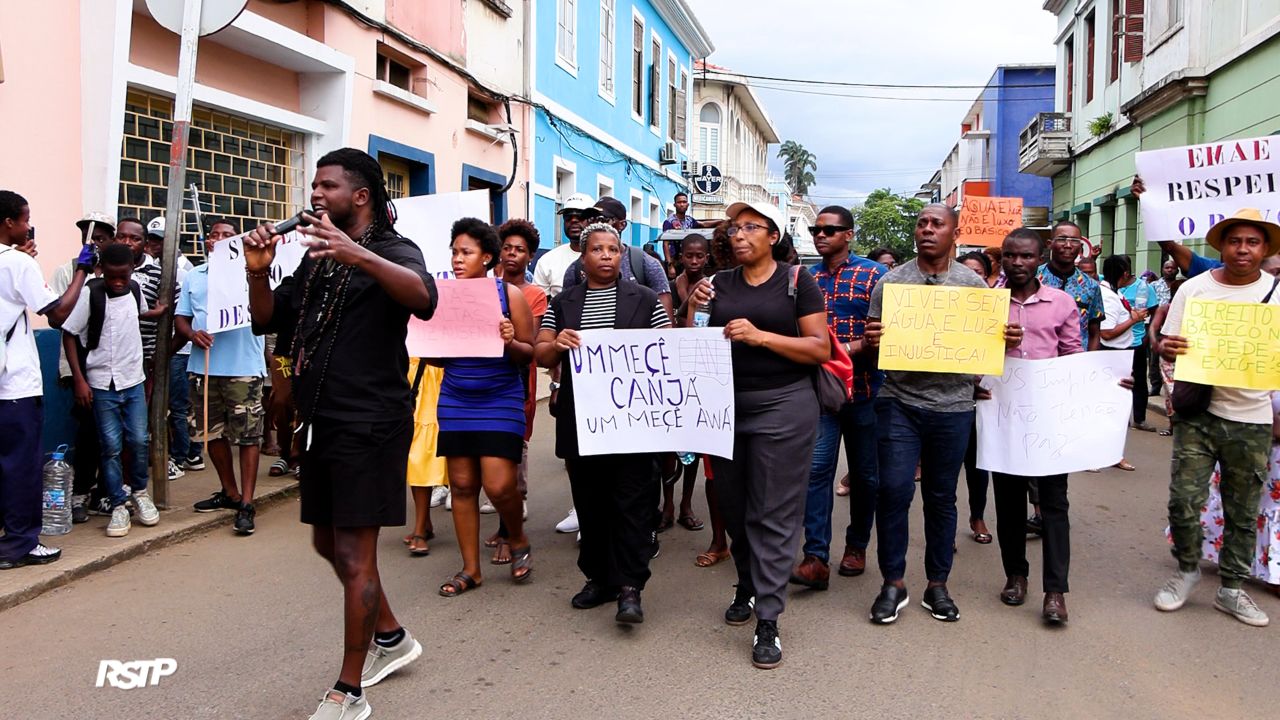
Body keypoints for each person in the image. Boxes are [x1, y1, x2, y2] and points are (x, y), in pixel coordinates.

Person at [245, 148, 437, 718]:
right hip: (321, 420)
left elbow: (424, 298)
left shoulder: (392, 250)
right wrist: (258, 270)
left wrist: (358, 255)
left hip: (370, 421)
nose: (315, 194)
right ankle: (393, 637)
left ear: (360, 196)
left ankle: (349, 691)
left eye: (327, 186)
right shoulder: (317, 260)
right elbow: (266, 319)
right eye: (314, 185)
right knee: (327, 542)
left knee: (355, 553)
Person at [863, 204, 1022, 625]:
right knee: (894, 491)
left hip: (952, 407)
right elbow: (874, 343)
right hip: (898, 401)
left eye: (937, 224)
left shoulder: (973, 286)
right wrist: (873, 338)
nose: (927, 230)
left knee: (940, 496)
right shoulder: (891, 283)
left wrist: (1006, 338)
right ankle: (893, 583)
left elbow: (989, 350)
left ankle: (937, 584)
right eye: (922, 224)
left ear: (955, 233)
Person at [686, 200, 828, 669]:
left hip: (783, 406)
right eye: (734, 228)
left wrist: (760, 336)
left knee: (772, 510)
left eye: (751, 227)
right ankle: (747, 583)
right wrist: (692, 309)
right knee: (733, 505)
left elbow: (818, 348)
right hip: (723, 407)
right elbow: (695, 343)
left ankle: (768, 617)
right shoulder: (717, 285)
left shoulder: (796, 281)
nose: (739, 234)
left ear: (773, 236)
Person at [535, 222, 671, 625]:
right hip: (582, 421)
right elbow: (541, 352)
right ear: (584, 256)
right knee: (590, 504)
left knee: (632, 504)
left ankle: (631, 587)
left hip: (633, 423)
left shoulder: (646, 300)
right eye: (598, 249)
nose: (607, 256)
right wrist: (556, 345)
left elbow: (670, 352)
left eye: (613, 249)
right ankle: (598, 578)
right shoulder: (563, 304)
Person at [1155, 208, 1280, 628]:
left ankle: (1232, 589)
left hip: (1255, 418)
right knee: (1184, 502)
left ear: (1264, 249)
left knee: (1243, 510)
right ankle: (1187, 570)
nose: (1242, 249)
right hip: (1200, 415)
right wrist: (1168, 356)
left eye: (1252, 242)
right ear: (1221, 246)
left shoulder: (1277, 293)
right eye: (1235, 241)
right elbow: (1167, 346)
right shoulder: (1195, 289)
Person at [983, 228, 1083, 624]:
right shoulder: (986, 305)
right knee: (1007, 503)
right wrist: (997, 348)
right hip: (1002, 415)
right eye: (1010, 256)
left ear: (1039, 258)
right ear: (1002, 259)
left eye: (1026, 256)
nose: (1018, 263)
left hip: (1047, 416)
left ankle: (1055, 591)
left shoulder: (1061, 303)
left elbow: (1074, 355)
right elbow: (971, 358)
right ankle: (1016, 576)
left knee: (1054, 504)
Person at [435, 218, 536, 597]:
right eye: (455, 252)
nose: (458, 260)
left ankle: (518, 536)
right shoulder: (442, 296)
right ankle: (471, 570)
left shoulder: (509, 296)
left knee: (499, 485)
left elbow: (528, 355)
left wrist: (510, 340)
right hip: (456, 398)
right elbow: (435, 361)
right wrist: (430, 342)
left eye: (466, 253)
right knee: (461, 485)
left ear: (487, 257)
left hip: (500, 398)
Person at [790, 206, 884, 591]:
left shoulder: (875, 275)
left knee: (865, 476)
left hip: (866, 392)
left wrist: (858, 345)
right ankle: (816, 556)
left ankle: (857, 546)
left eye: (830, 229)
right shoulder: (805, 278)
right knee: (816, 473)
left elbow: (889, 331)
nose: (820, 234)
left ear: (849, 234)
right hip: (822, 394)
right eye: (816, 229)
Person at [0, 190, 93, 570]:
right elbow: (56, 314)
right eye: (25, 219)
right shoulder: (17, 264)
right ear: (9, 223)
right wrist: (82, 271)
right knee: (21, 468)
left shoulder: (14, 262)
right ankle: (20, 545)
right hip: (14, 386)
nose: (28, 225)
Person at [61, 243, 168, 537]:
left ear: (132, 270)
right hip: (101, 383)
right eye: (112, 277)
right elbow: (69, 334)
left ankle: (140, 493)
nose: (118, 282)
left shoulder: (134, 289)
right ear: (102, 271)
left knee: (138, 440)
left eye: (123, 276)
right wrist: (80, 379)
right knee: (110, 446)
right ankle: (118, 505)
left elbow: (139, 314)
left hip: (132, 379)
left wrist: (159, 311)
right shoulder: (90, 294)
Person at [175, 218, 266, 535]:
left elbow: (267, 312)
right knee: (210, 433)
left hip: (242, 368)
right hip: (204, 368)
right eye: (214, 235)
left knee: (248, 436)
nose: (219, 239)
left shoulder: (252, 274)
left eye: (227, 235)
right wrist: (192, 334)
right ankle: (230, 492)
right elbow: (181, 319)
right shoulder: (195, 276)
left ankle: (248, 503)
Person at [486, 218, 547, 562]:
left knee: (513, 456)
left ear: (530, 257)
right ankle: (503, 525)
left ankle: (511, 533)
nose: (511, 254)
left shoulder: (535, 295)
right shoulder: (482, 286)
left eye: (519, 250)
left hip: (517, 384)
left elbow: (530, 340)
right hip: (484, 384)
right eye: (506, 248)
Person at [532, 192, 594, 536]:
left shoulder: (609, 256)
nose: (574, 219)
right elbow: (543, 314)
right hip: (566, 364)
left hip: (607, 368)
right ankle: (580, 507)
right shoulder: (550, 261)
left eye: (581, 214)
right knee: (572, 442)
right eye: (568, 214)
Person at [51, 212, 114, 523]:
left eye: (101, 238)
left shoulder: (116, 274)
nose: (94, 244)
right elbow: (61, 318)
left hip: (109, 367)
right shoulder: (67, 271)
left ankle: (104, 493)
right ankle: (79, 492)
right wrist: (81, 271)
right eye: (89, 239)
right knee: (85, 433)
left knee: (111, 435)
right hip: (78, 367)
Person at [664, 233, 712, 536]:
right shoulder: (669, 287)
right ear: (681, 256)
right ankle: (667, 504)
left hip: (700, 369)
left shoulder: (712, 288)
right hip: (669, 369)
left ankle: (686, 504)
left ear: (706, 258)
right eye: (689, 256)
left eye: (700, 256)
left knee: (694, 443)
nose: (694, 261)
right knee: (668, 444)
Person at [561, 197, 673, 318]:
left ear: (622, 225)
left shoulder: (644, 264)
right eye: (591, 219)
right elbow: (566, 315)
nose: (596, 224)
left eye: (602, 219)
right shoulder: (575, 269)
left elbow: (665, 324)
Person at [957, 250, 997, 543]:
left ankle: (977, 516)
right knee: (943, 471)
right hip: (947, 401)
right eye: (966, 272)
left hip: (982, 401)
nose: (972, 279)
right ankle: (945, 528)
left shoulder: (997, 314)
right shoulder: (935, 310)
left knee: (977, 466)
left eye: (978, 274)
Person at [1099, 255, 1146, 472]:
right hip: (1112, 356)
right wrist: (1133, 320)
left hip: (1121, 355)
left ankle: (1113, 454)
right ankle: (1101, 455)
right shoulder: (1108, 297)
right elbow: (1106, 333)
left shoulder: (1114, 293)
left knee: (1117, 409)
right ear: (1125, 274)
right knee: (1110, 409)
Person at [1037, 221, 1104, 351]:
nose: (1068, 245)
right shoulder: (1033, 278)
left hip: (1076, 362)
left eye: (1074, 241)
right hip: (1039, 360)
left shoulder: (1091, 286)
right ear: (1050, 244)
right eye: (1062, 239)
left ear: (1080, 246)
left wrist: (1089, 364)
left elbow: (1094, 333)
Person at [1115, 258, 1160, 432]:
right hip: (1115, 341)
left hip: (1137, 341)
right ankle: (1119, 418)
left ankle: (1139, 419)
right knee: (1118, 381)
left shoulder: (1144, 287)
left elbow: (1156, 312)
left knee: (1139, 381)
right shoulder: (1111, 285)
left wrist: (1149, 335)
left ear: (1125, 272)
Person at [532, 192, 593, 299]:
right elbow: (540, 306)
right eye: (568, 217)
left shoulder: (607, 258)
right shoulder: (547, 261)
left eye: (580, 216)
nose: (573, 220)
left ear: (593, 220)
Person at [1148, 258, 1180, 392]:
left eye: (1172, 268)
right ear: (1162, 269)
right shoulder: (1154, 285)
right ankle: (1155, 385)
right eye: (1167, 268)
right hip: (1159, 323)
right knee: (1154, 358)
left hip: (1175, 330)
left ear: (1177, 270)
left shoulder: (1182, 285)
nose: (1169, 270)